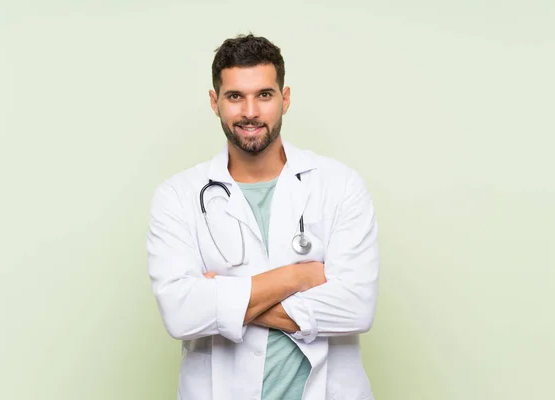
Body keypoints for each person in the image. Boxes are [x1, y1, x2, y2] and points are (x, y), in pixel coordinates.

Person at [146, 33, 380, 400]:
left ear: (284, 99)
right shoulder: (177, 197)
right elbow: (181, 315)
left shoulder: (340, 186)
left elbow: (355, 308)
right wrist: (297, 276)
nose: (250, 112)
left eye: (264, 95)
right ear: (215, 101)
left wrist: (221, 295)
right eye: (235, 96)